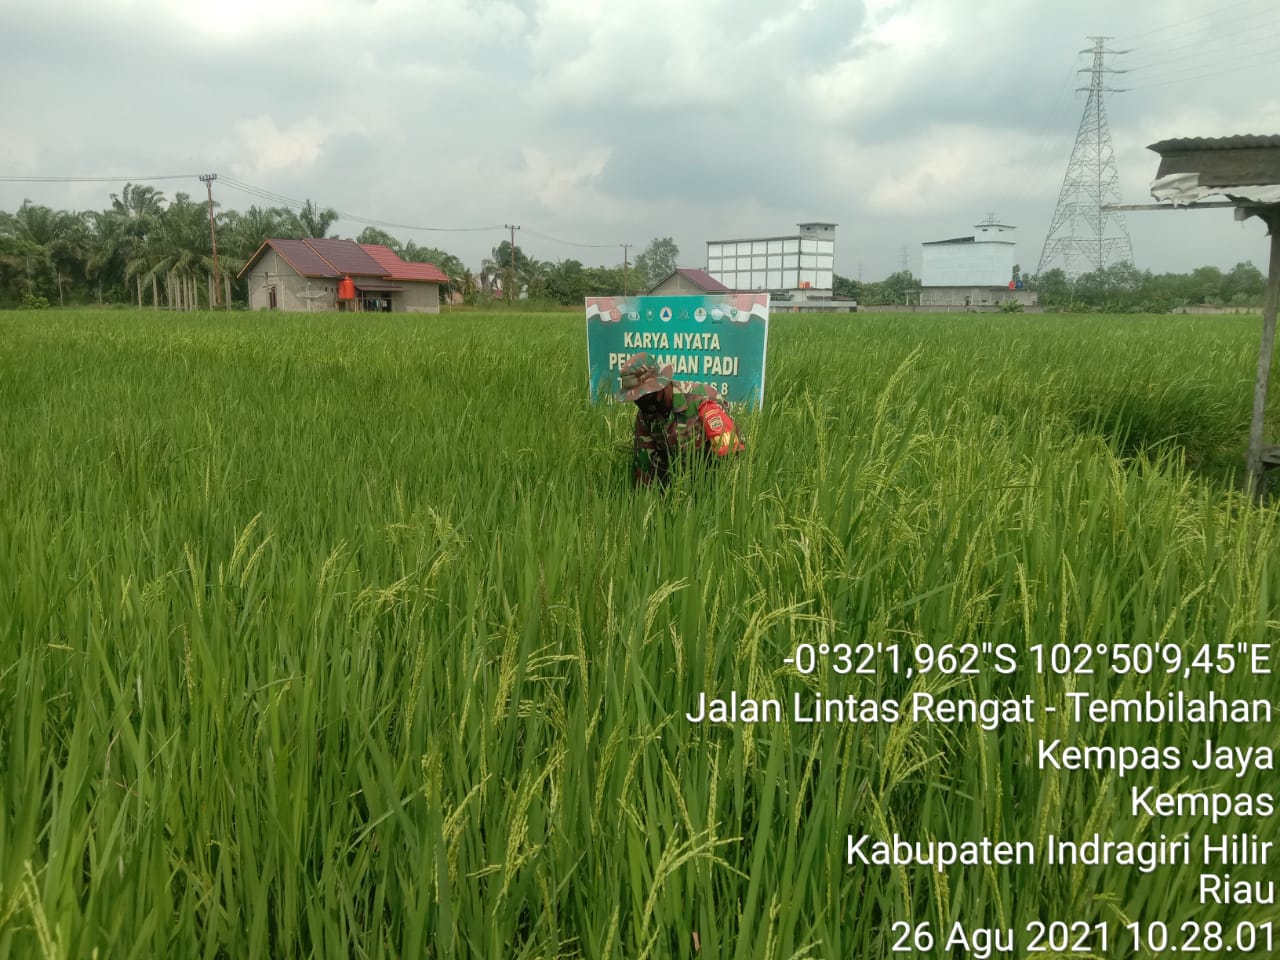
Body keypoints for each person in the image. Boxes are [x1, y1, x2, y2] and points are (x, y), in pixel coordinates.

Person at [616, 351, 745, 486]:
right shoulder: (646, 417)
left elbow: (730, 455)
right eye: (635, 399)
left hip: (714, 484)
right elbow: (644, 470)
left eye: (644, 395)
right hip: (679, 487)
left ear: (659, 386)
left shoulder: (702, 401)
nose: (640, 402)